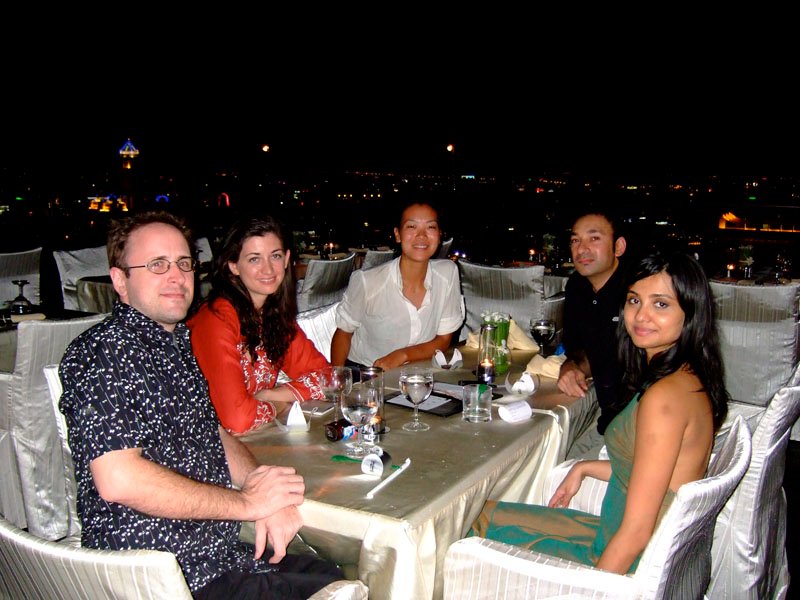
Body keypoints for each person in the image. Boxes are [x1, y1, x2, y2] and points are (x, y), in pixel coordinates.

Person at [59, 211, 343, 599]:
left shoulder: (176, 345)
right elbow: (119, 480)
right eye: (157, 265)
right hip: (159, 573)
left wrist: (261, 486)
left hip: (218, 555)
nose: (176, 277)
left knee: (338, 575)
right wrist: (246, 503)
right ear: (120, 281)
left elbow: (214, 433)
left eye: (183, 263)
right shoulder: (105, 351)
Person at [471, 251, 729, 574]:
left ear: (691, 313)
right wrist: (585, 467)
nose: (641, 315)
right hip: (615, 533)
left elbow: (636, 534)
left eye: (660, 304)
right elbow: (654, 471)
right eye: (635, 301)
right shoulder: (686, 376)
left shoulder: (664, 400)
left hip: (619, 558)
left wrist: (595, 589)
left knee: (474, 528)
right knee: (483, 513)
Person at [187, 215, 330, 435]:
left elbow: (326, 376)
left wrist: (272, 395)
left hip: (253, 438)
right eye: (254, 259)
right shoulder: (215, 321)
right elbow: (237, 419)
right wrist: (279, 405)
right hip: (206, 444)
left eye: (275, 256)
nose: (268, 269)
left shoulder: (271, 315)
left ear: (286, 259)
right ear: (233, 265)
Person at [330, 200, 465, 372]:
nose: (421, 235)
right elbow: (343, 333)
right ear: (398, 234)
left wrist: (403, 355)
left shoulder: (447, 273)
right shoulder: (367, 281)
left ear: (439, 235)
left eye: (430, 227)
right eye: (411, 227)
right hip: (367, 374)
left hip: (418, 372)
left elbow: (444, 339)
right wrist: (338, 380)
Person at [557, 209, 628, 456]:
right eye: (575, 240)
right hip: (607, 418)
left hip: (633, 427)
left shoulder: (637, 292)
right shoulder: (577, 286)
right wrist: (572, 365)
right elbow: (579, 348)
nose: (581, 249)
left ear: (618, 247)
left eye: (594, 238)